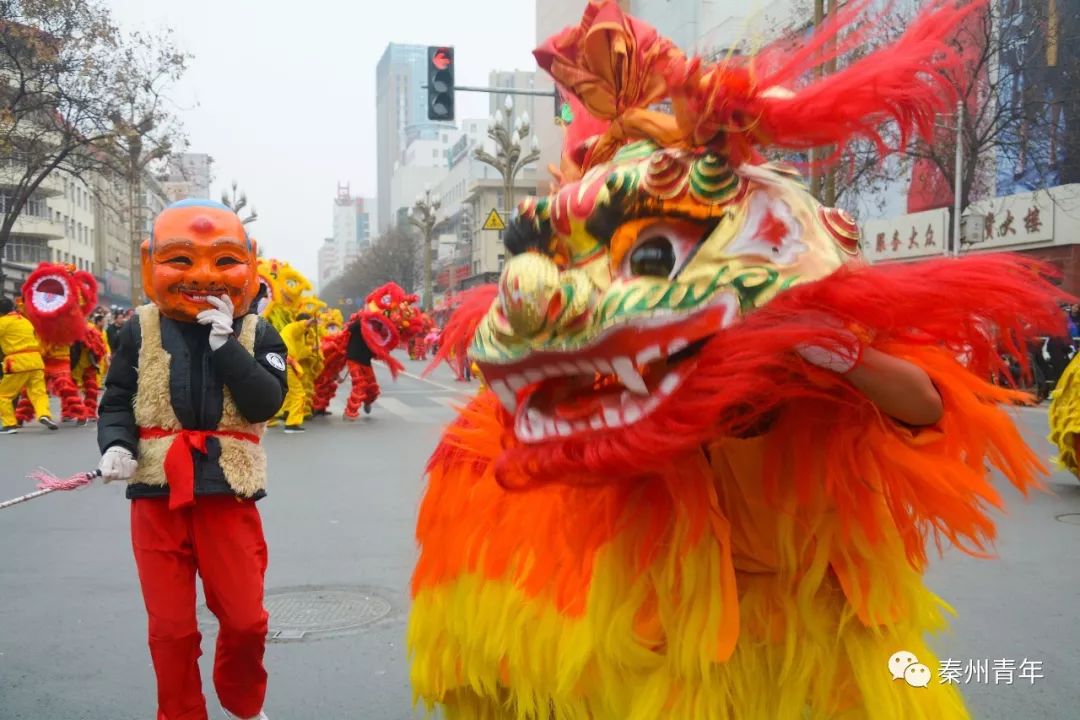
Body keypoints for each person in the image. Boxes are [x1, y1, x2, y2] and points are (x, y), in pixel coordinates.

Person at [406, 3, 1066, 718]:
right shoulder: (641, 362)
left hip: (829, 631)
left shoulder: (810, 327)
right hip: (694, 638)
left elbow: (930, 407)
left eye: (651, 255)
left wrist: (834, 351)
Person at [97, 199, 286, 720]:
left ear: (251, 260)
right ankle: (180, 713)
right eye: (180, 260)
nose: (204, 275)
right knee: (172, 629)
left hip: (229, 492)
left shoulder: (258, 332)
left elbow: (268, 402)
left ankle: (243, 702)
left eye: (225, 261)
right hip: (158, 494)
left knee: (246, 621)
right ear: (148, 262)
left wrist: (228, 346)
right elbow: (116, 400)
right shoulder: (137, 330)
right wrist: (116, 445)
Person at [0, 296, 56, 434]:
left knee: (3, 395)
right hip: (36, 361)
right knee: (39, 393)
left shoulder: (2, 322)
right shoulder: (25, 321)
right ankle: (44, 414)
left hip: (17, 362)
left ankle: (9, 425)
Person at [276, 312, 316, 433]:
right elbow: (298, 326)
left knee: (289, 392)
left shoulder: (296, 336)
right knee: (299, 394)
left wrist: (312, 350)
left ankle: (287, 413)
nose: (308, 329)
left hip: (285, 363)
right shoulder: (291, 327)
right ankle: (292, 424)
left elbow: (300, 352)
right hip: (286, 364)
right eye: (308, 325)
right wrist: (308, 322)